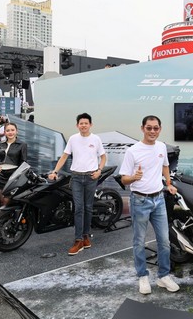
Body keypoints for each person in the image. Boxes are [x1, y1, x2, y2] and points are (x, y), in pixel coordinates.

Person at [119, 115, 179, 295]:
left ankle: (163, 276)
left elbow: (165, 166)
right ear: (142, 128)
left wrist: (169, 183)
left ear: (160, 129)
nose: (152, 131)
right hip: (140, 200)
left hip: (159, 199)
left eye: (156, 128)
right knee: (139, 241)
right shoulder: (133, 151)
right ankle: (142, 276)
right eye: (149, 128)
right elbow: (124, 179)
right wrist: (133, 177)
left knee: (165, 241)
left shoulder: (161, 147)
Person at [48, 113, 107, 256]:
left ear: (90, 125)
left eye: (86, 123)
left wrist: (99, 170)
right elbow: (64, 156)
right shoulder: (73, 139)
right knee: (79, 208)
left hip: (91, 177)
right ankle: (78, 240)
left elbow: (103, 157)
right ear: (77, 125)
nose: (83, 125)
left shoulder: (96, 139)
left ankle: (86, 236)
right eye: (81, 123)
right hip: (76, 178)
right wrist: (55, 171)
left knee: (88, 207)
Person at [0, 122, 27, 206]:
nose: (10, 132)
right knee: (2, 201)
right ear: (4, 132)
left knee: (8, 201)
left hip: (14, 176)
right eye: (8, 130)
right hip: (0, 175)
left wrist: (19, 175)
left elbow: (24, 161)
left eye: (12, 130)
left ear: (17, 131)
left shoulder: (22, 145)